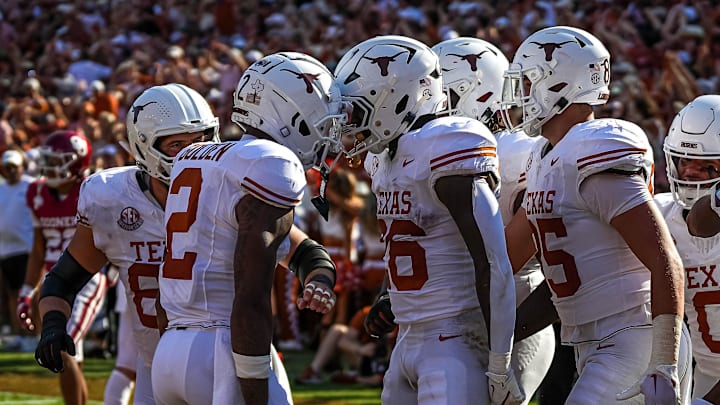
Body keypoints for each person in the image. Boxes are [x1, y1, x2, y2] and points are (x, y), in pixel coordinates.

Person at [501, 26, 692, 403]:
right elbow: (510, 260)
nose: (520, 94)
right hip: (593, 340)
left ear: (559, 85)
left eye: (527, 82)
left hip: (636, 334)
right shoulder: (543, 159)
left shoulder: (595, 151)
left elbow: (664, 258)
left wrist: (664, 363)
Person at [335, 35, 520, 405]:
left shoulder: (448, 144)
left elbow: (494, 264)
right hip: (406, 338)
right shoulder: (386, 159)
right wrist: (391, 298)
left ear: (395, 99)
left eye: (358, 110)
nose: (349, 124)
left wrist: (501, 364)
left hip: (455, 339)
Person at [151, 52, 341, 405]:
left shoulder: (195, 159)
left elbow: (302, 251)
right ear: (288, 110)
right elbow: (252, 298)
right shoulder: (270, 164)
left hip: (171, 351)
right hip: (224, 349)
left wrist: (319, 277)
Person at [32, 83, 220, 404]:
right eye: (178, 144)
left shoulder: (227, 188)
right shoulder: (111, 199)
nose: (193, 153)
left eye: (201, 140)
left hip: (226, 359)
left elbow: (298, 249)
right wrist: (53, 324)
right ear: (144, 147)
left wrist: (314, 268)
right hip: (157, 368)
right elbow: (62, 282)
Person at [431, 36, 555, 404]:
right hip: (457, 318)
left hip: (519, 311)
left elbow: (513, 254)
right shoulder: (438, 153)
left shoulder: (520, 152)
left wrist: (509, 329)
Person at [17, 130, 107, 405]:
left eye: (59, 162)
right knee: (67, 353)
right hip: (53, 280)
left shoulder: (90, 189)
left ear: (78, 162)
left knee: (62, 345)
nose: (51, 168)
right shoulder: (37, 192)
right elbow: (38, 248)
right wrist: (25, 291)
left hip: (86, 277)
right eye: (49, 161)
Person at [659, 94, 720, 404]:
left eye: (707, 165)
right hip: (704, 380)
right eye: (685, 160)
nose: (691, 173)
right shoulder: (660, 218)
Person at [0, 150, 34, 336]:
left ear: (22, 167)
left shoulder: (31, 186)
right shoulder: (1, 188)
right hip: (6, 250)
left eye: (14, 166)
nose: (11, 170)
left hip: (26, 248)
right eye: (8, 167)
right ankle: (19, 333)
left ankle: (35, 332)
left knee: (30, 293)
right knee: (12, 293)